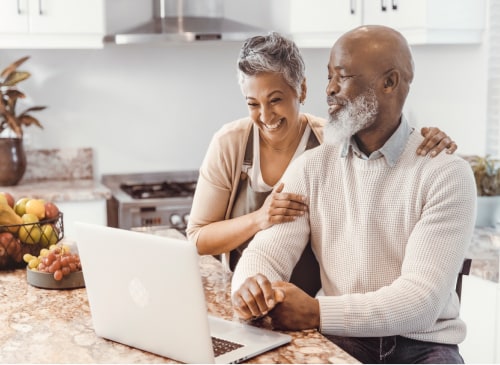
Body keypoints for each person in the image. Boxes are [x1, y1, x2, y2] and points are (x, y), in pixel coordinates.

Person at [230, 25, 476, 364]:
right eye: (328, 76)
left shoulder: (445, 173)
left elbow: (421, 300)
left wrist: (317, 312)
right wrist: (250, 287)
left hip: (422, 347)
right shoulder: (311, 167)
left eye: (342, 77)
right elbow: (267, 253)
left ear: (389, 83)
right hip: (343, 340)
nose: (329, 90)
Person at [187, 32, 457, 296]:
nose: (266, 115)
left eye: (276, 100)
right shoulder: (231, 143)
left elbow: (383, 137)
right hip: (248, 289)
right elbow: (199, 238)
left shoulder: (330, 142)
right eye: (253, 104)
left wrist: (424, 138)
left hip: (313, 301)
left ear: (301, 89)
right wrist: (259, 219)